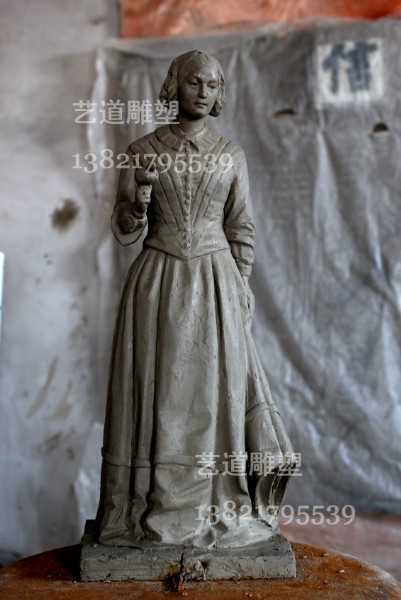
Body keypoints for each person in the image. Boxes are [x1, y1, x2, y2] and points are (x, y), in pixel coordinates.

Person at [96, 50, 294, 549]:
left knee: (215, 393)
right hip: (157, 284)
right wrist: (137, 204)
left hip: (216, 284)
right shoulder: (142, 150)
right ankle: (143, 507)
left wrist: (241, 286)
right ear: (174, 86)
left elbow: (241, 228)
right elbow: (123, 231)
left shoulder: (231, 155)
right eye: (193, 82)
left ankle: (218, 500)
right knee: (159, 390)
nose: (203, 92)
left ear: (220, 91)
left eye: (212, 84)